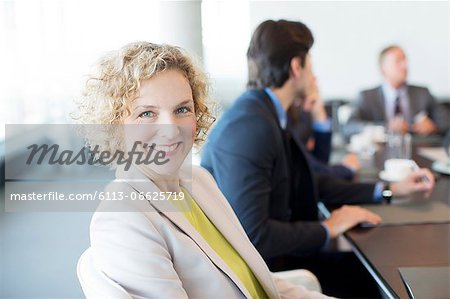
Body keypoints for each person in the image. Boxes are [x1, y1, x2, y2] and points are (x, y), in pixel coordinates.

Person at [76, 41, 331, 299]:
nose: (171, 128)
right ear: (114, 124)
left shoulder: (198, 181)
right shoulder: (122, 219)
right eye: (146, 114)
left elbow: (254, 280)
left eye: (182, 109)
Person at [201, 20, 435, 298]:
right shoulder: (252, 125)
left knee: (383, 269)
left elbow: (311, 180)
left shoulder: (267, 113)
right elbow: (255, 235)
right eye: (310, 62)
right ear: (296, 67)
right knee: (380, 280)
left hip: (281, 259)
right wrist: (327, 228)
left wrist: (389, 190)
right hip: (269, 273)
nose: (313, 72)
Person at [346, 45, 449, 136]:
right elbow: (349, 127)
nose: (405, 66)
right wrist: (386, 128)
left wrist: (433, 126)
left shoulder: (422, 93)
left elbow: (446, 121)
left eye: (405, 60)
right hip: (382, 153)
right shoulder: (367, 96)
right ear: (383, 69)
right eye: (398, 61)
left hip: (417, 150)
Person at [288, 90, 360, 181]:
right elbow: (312, 170)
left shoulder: (301, 109)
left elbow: (321, 160)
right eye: (311, 77)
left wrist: (319, 116)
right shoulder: (285, 115)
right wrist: (347, 169)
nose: (314, 80)